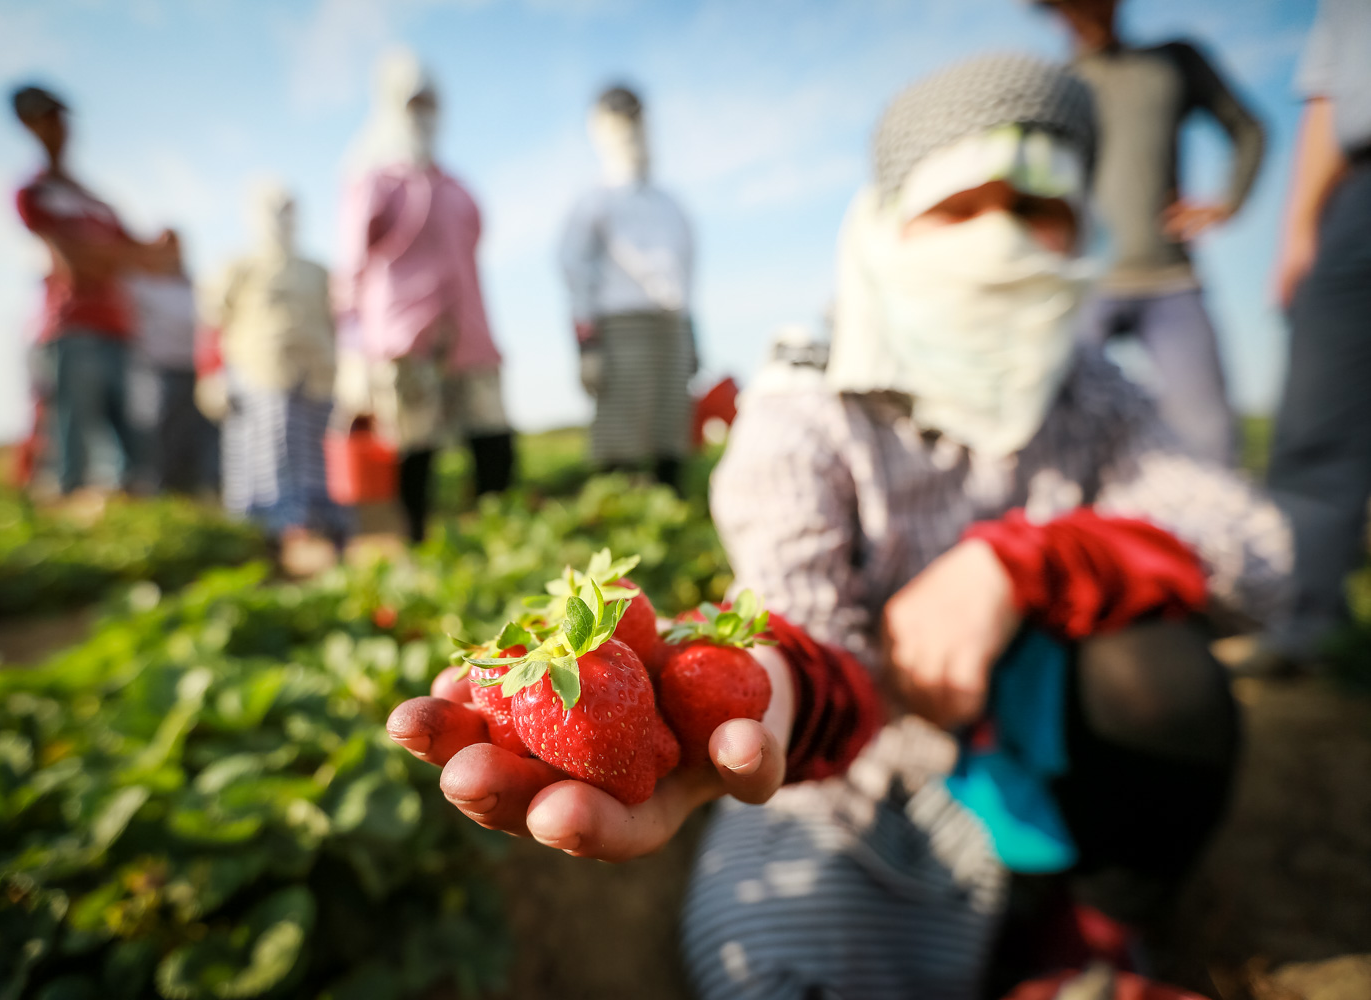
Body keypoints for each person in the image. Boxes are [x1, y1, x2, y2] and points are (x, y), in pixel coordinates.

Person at [387, 55, 1293, 998]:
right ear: (887, 225)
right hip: (854, 763)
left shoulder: (1097, 398)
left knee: (1164, 678)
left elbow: (1254, 549)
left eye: (1036, 209)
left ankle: (1101, 929)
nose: (1001, 238)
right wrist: (771, 686)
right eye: (961, 206)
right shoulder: (808, 407)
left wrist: (1027, 560)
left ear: (1082, 228)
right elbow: (804, 634)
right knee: (773, 967)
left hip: (1058, 736)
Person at [1036, 0, 1266, 467]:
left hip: (1170, 280)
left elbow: (1248, 130)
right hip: (1083, 286)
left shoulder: (1173, 63)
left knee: (1210, 437)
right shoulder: (1053, 85)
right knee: (1057, 437)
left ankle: (1207, 539)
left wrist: (1229, 201)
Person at [334, 49, 513, 543]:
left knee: (493, 440)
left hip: (469, 338)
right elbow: (351, 267)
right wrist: (352, 350)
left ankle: (498, 540)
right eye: (413, 103)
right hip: (403, 340)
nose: (424, 114)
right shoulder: (374, 182)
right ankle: (417, 544)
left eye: (430, 102)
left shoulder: (458, 188)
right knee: (417, 449)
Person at [1262, 0, 1371, 669]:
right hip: (1360, 190)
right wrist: (1300, 229)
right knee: (1316, 419)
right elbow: (1327, 94)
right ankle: (1302, 621)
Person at [11, 84, 169, 494]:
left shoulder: (97, 201)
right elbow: (75, 267)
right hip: (69, 330)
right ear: (29, 126)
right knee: (72, 446)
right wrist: (123, 256)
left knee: (130, 450)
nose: (57, 128)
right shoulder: (33, 193)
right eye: (46, 119)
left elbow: (156, 259)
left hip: (118, 328)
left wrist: (113, 255)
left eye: (60, 118)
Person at [559, 84, 697, 492]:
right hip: (620, 331)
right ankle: (620, 530)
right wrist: (587, 345)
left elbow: (685, 278)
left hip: (670, 329)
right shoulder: (592, 202)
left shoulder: (671, 205)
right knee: (621, 441)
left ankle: (670, 524)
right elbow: (574, 272)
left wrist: (691, 337)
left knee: (669, 435)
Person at [199, 182, 345, 551]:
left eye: (289, 208)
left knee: (319, 457)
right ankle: (268, 538)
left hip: (318, 377)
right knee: (266, 457)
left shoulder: (318, 271)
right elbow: (213, 324)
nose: (282, 218)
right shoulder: (239, 268)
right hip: (259, 375)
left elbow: (338, 322)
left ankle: (323, 533)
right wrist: (211, 372)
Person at [126, 230, 218, 495]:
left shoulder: (196, 286)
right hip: (160, 370)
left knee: (201, 435)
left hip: (198, 370)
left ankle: (199, 491)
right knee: (165, 434)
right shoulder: (140, 284)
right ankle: (162, 491)